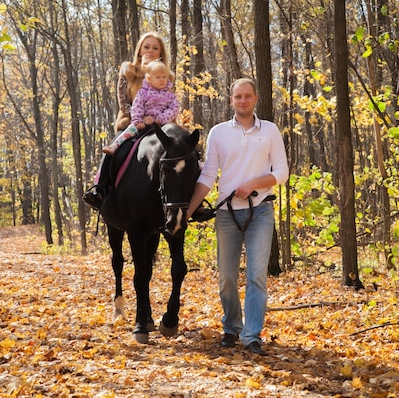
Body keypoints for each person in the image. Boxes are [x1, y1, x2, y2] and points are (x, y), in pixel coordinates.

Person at [187, 78, 289, 356]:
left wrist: (254, 184)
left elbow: (282, 173)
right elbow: (208, 175)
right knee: (227, 278)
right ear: (231, 100)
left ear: (256, 98)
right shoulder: (219, 133)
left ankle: (252, 335)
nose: (242, 101)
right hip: (226, 214)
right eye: (237, 97)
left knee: (257, 275)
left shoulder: (269, 130)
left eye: (247, 96)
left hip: (261, 211)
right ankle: (231, 327)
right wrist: (188, 210)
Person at [92, 32, 173, 207]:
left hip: (160, 124)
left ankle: (194, 200)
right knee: (115, 149)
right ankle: (99, 188)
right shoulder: (128, 71)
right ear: (139, 50)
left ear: (160, 53)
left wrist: (158, 119)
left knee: (183, 150)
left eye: (155, 48)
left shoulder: (167, 76)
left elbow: (171, 103)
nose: (150, 51)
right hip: (132, 121)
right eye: (146, 47)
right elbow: (123, 102)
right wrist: (140, 119)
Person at [102, 60, 179, 155]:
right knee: (130, 130)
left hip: (163, 124)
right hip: (144, 122)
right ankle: (115, 146)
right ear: (149, 79)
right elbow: (137, 106)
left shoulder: (170, 95)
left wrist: (160, 119)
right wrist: (138, 120)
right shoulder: (143, 93)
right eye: (158, 77)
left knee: (180, 138)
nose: (162, 79)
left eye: (164, 77)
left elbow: (174, 109)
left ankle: (195, 160)